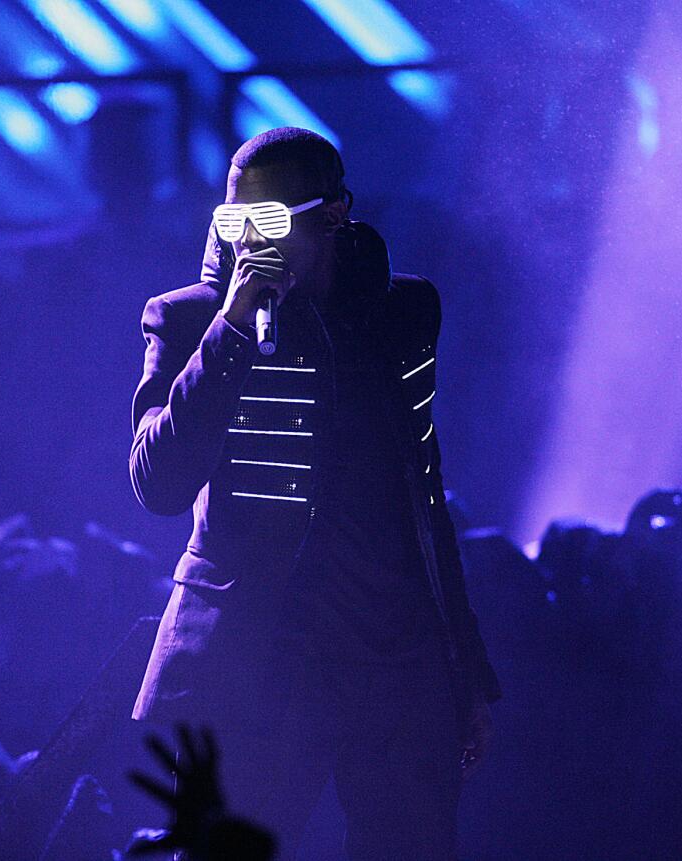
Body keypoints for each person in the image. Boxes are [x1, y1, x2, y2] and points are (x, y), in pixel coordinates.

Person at [127, 127, 499, 859]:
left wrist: (465, 669)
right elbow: (157, 481)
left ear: (332, 216)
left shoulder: (405, 312)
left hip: (393, 659)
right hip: (256, 662)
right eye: (232, 223)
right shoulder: (187, 319)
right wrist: (231, 328)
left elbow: (424, 496)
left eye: (267, 222)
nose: (245, 242)